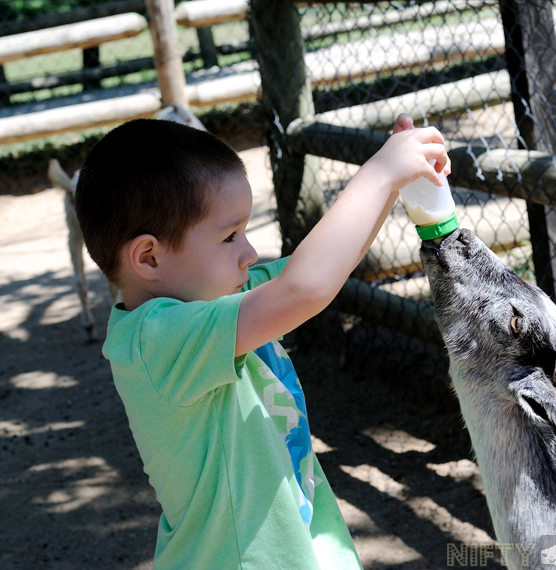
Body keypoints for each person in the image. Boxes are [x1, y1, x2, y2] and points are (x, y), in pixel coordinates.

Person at [74, 112, 450, 569]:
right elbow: (304, 289)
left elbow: (321, 270)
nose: (249, 253)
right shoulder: (155, 341)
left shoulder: (221, 299)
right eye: (230, 236)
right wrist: (381, 172)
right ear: (149, 258)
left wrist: (393, 183)